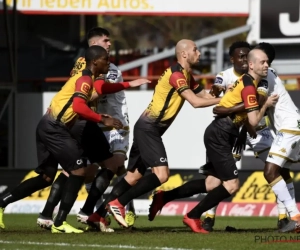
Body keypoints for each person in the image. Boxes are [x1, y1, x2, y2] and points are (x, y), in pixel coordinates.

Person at [0, 46, 148, 233]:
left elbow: (102, 88)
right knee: (78, 170)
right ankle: (61, 222)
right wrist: (103, 118)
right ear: (95, 61)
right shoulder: (85, 79)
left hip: (48, 125)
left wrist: (127, 84)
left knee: (46, 178)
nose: (109, 61)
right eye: (106, 58)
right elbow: (78, 106)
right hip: (54, 129)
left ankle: (3, 203)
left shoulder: (88, 76)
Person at [86, 39, 221, 229]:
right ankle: (118, 203)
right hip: (149, 128)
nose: (199, 53)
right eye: (195, 50)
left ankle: (97, 215)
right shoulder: (177, 75)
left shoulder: (186, 75)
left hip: (147, 127)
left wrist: (223, 94)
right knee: (162, 175)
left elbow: (205, 96)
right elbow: (196, 102)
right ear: (184, 54)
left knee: (132, 177)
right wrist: (223, 100)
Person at [36, 27, 138, 231]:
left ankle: (52, 214)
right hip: (93, 123)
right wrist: (102, 116)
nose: (110, 44)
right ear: (94, 50)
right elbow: (90, 95)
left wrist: (127, 84)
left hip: (82, 122)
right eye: (106, 41)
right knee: (105, 166)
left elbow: (88, 92)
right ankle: (85, 214)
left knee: (85, 169)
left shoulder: (81, 65)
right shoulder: (95, 69)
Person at [174, 48, 277, 233]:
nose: (267, 65)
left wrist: (244, 128)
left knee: (213, 183)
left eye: (267, 62)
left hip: (225, 133)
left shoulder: (248, 83)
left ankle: (181, 207)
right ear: (251, 65)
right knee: (231, 184)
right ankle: (193, 215)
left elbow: (228, 110)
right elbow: (251, 119)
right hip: (220, 132)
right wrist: (265, 105)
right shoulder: (247, 86)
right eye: (263, 62)